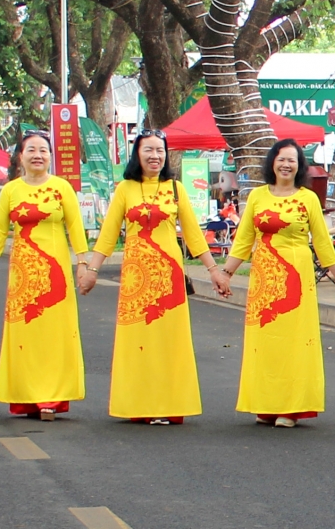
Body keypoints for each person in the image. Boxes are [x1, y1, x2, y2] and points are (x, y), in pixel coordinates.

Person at [78, 129, 230, 425]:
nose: (155, 156)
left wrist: (215, 271)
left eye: (160, 150)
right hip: (136, 278)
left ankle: (168, 405)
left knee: (169, 342)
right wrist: (92, 271)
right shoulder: (125, 189)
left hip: (168, 278)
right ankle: (138, 404)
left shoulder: (175, 188)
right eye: (148, 150)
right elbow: (108, 234)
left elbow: (193, 235)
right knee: (137, 340)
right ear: (137, 154)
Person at [221, 139, 335, 428]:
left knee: (294, 342)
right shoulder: (257, 196)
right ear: (272, 162)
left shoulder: (308, 198)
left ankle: (291, 408)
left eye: (292, 160)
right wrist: (226, 273)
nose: (286, 164)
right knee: (265, 341)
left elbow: (322, 242)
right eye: (281, 159)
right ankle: (265, 404)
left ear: (299, 166)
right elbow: (244, 239)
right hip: (264, 277)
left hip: (297, 276)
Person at [0, 131, 87, 421]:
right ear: (20, 156)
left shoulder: (61, 187)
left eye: (43, 150)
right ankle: (25, 396)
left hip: (56, 272)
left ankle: (51, 397)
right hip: (23, 274)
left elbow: (75, 227)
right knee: (25, 334)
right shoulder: (11, 190)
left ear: (50, 156)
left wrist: (83, 262)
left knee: (54, 335)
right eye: (31, 150)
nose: (38, 155)